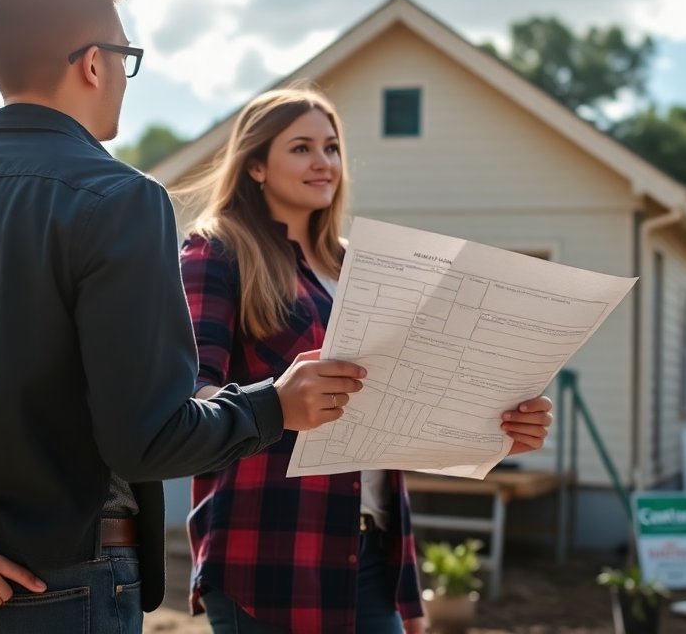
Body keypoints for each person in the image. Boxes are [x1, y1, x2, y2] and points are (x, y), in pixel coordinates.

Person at [0, 0, 367, 634]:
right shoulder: (122, 201)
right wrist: (274, 405)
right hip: (68, 584)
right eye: (126, 57)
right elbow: (147, 439)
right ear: (93, 63)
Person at [176, 86, 555, 634]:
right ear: (255, 165)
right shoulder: (217, 252)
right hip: (269, 552)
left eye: (331, 147)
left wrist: (497, 426)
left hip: (374, 550)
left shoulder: (361, 266)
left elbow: (402, 406)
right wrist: (279, 403)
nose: (324, 162)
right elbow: (192, 403)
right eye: (301, 148)